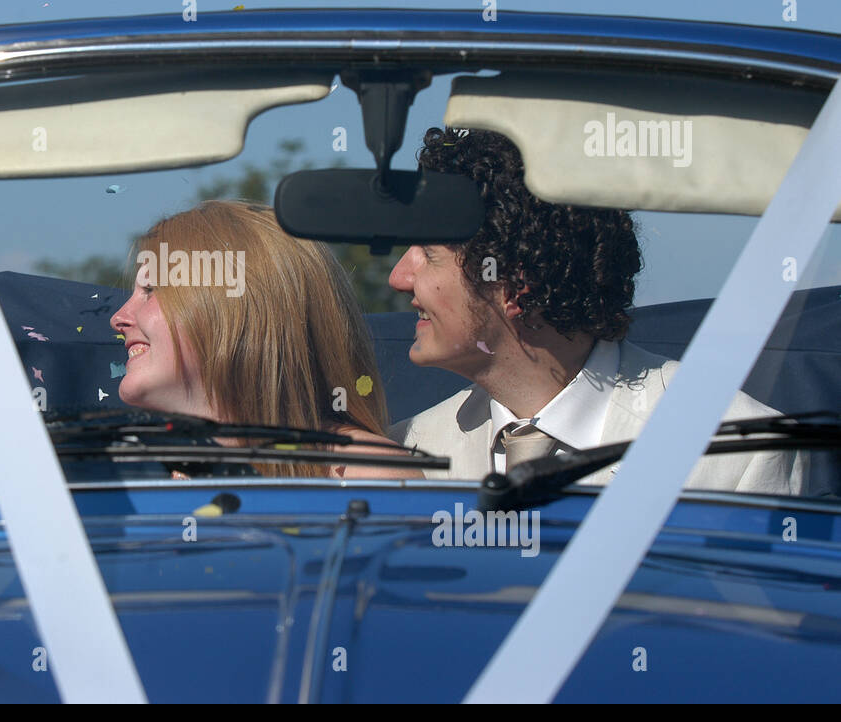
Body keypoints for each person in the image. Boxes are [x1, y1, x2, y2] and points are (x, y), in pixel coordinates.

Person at [386, 127, 807, 494]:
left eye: (427, 251)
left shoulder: (737, 455)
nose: (399, 276)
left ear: (516, 285)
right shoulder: (406, 453)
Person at [109, 200, 419, 478]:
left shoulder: (368, 476)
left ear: (230, 308)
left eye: (150, 290)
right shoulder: (127, 478)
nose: (118, 318)